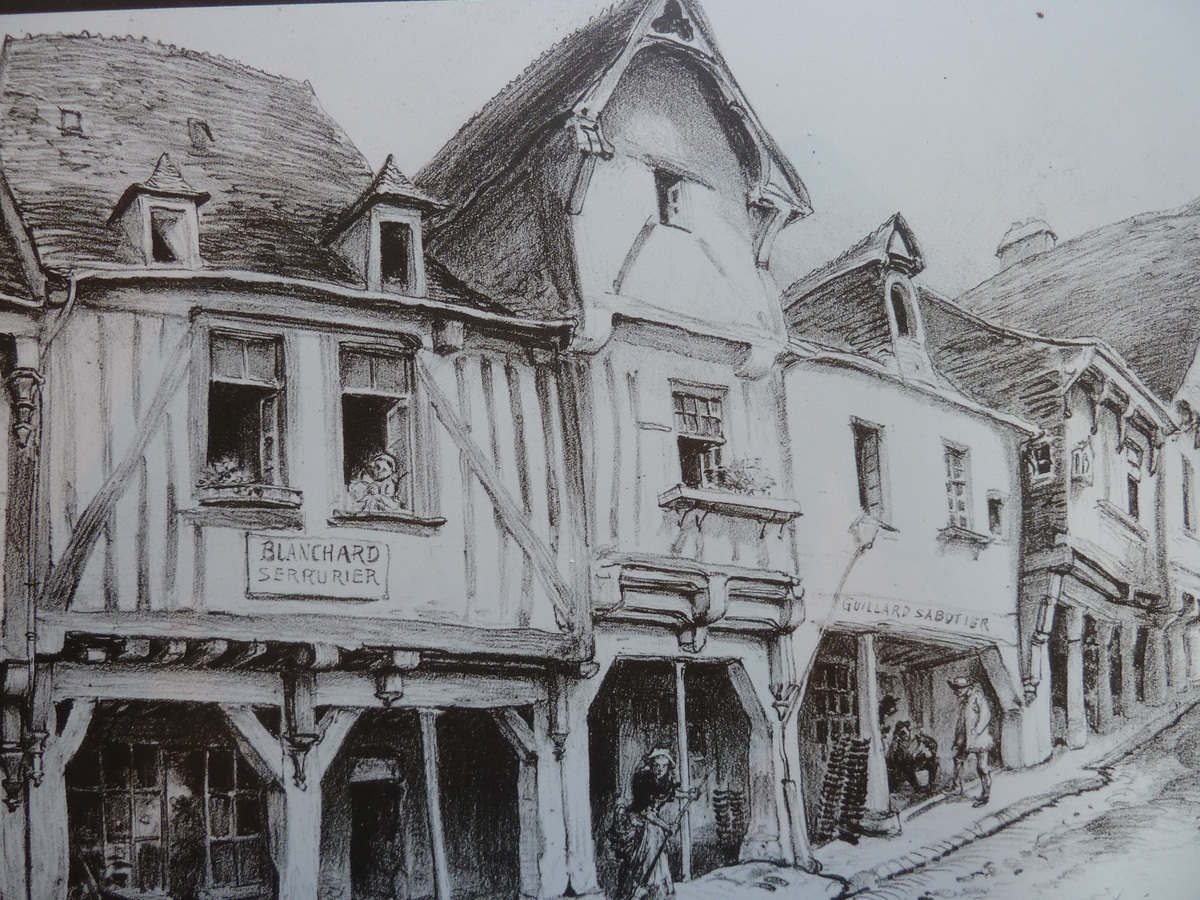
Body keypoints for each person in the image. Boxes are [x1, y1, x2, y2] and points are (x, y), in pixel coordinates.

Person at [611, 749, 681, 900]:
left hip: (653, 827)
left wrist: (689, 794)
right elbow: (648, 814)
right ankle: (639, 889)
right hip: (639, 826)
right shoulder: (643, 781)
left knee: (659, 855)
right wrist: (669, 827)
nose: (660, 769)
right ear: (651, 765)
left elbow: (669, 794)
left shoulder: (663, 781)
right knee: (645, 857)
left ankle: (659, 889)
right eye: (656, 765)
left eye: (664, 766)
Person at [949, 675, 993, 807]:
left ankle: (985, 795)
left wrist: (977, 730)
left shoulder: (977, 698)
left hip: (979, 739)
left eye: (959, 689)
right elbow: (961, 723)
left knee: (982, 767)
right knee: (958, 760)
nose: (956, 692)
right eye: (956, 689)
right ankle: (956, 787)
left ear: (967, 688)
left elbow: (986, 715)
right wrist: (957, 739)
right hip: (966, 739)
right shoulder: (964, 702)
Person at [885, 720, 939, 793]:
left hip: (920, 760)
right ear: (898, 734)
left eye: (905, 732)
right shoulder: (896, 742)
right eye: (901, 734)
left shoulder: (917, 736)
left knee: (934, 761)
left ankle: (931, 784)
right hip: (907, 765)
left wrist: (929, 751)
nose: (904, 735)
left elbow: (932, 743)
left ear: (908, 730)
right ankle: (916, 787)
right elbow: (890, 758)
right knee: (906, 767)